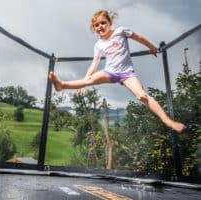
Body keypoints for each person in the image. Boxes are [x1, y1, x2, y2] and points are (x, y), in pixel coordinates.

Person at [49, 10, 185, 133]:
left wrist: (152, 47)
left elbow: (139, 37)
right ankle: (61, 85)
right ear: (94, 28)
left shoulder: (120, 31)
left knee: (142, 96)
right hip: (110, 72)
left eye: (103, 23)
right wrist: (84, 83)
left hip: (127, 74)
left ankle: (168, 121)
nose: (100, 26)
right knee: (89, 79)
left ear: (110, 23)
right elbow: (94, 65)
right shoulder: (98, 44)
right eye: (96, 25)